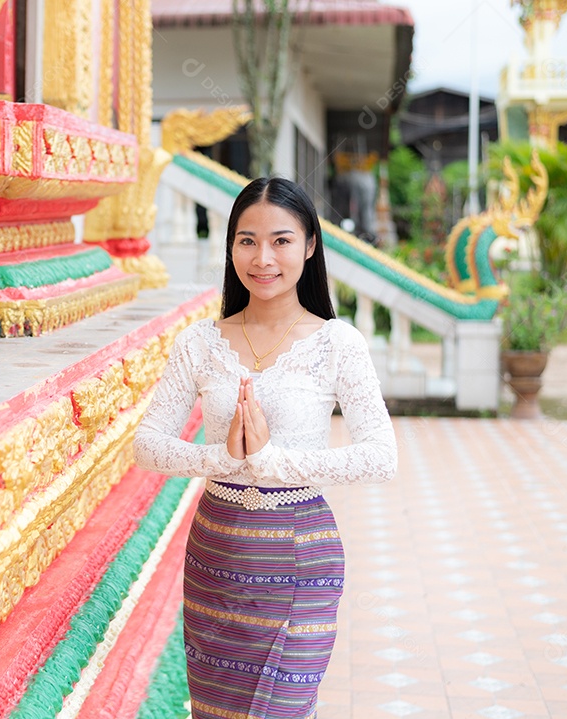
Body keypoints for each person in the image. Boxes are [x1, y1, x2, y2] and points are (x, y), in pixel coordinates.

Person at [133, 177, 397, 719]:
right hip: (217, 556)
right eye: (247, 240)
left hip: (301, 555)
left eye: (281, 240)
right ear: (230, 247)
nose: (263, 257)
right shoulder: (200, 343)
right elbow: (146, 445)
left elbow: (380, 455)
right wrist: (222, 459)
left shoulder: (337, 344)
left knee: (283, 708)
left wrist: (275, 462)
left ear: (310, 246)